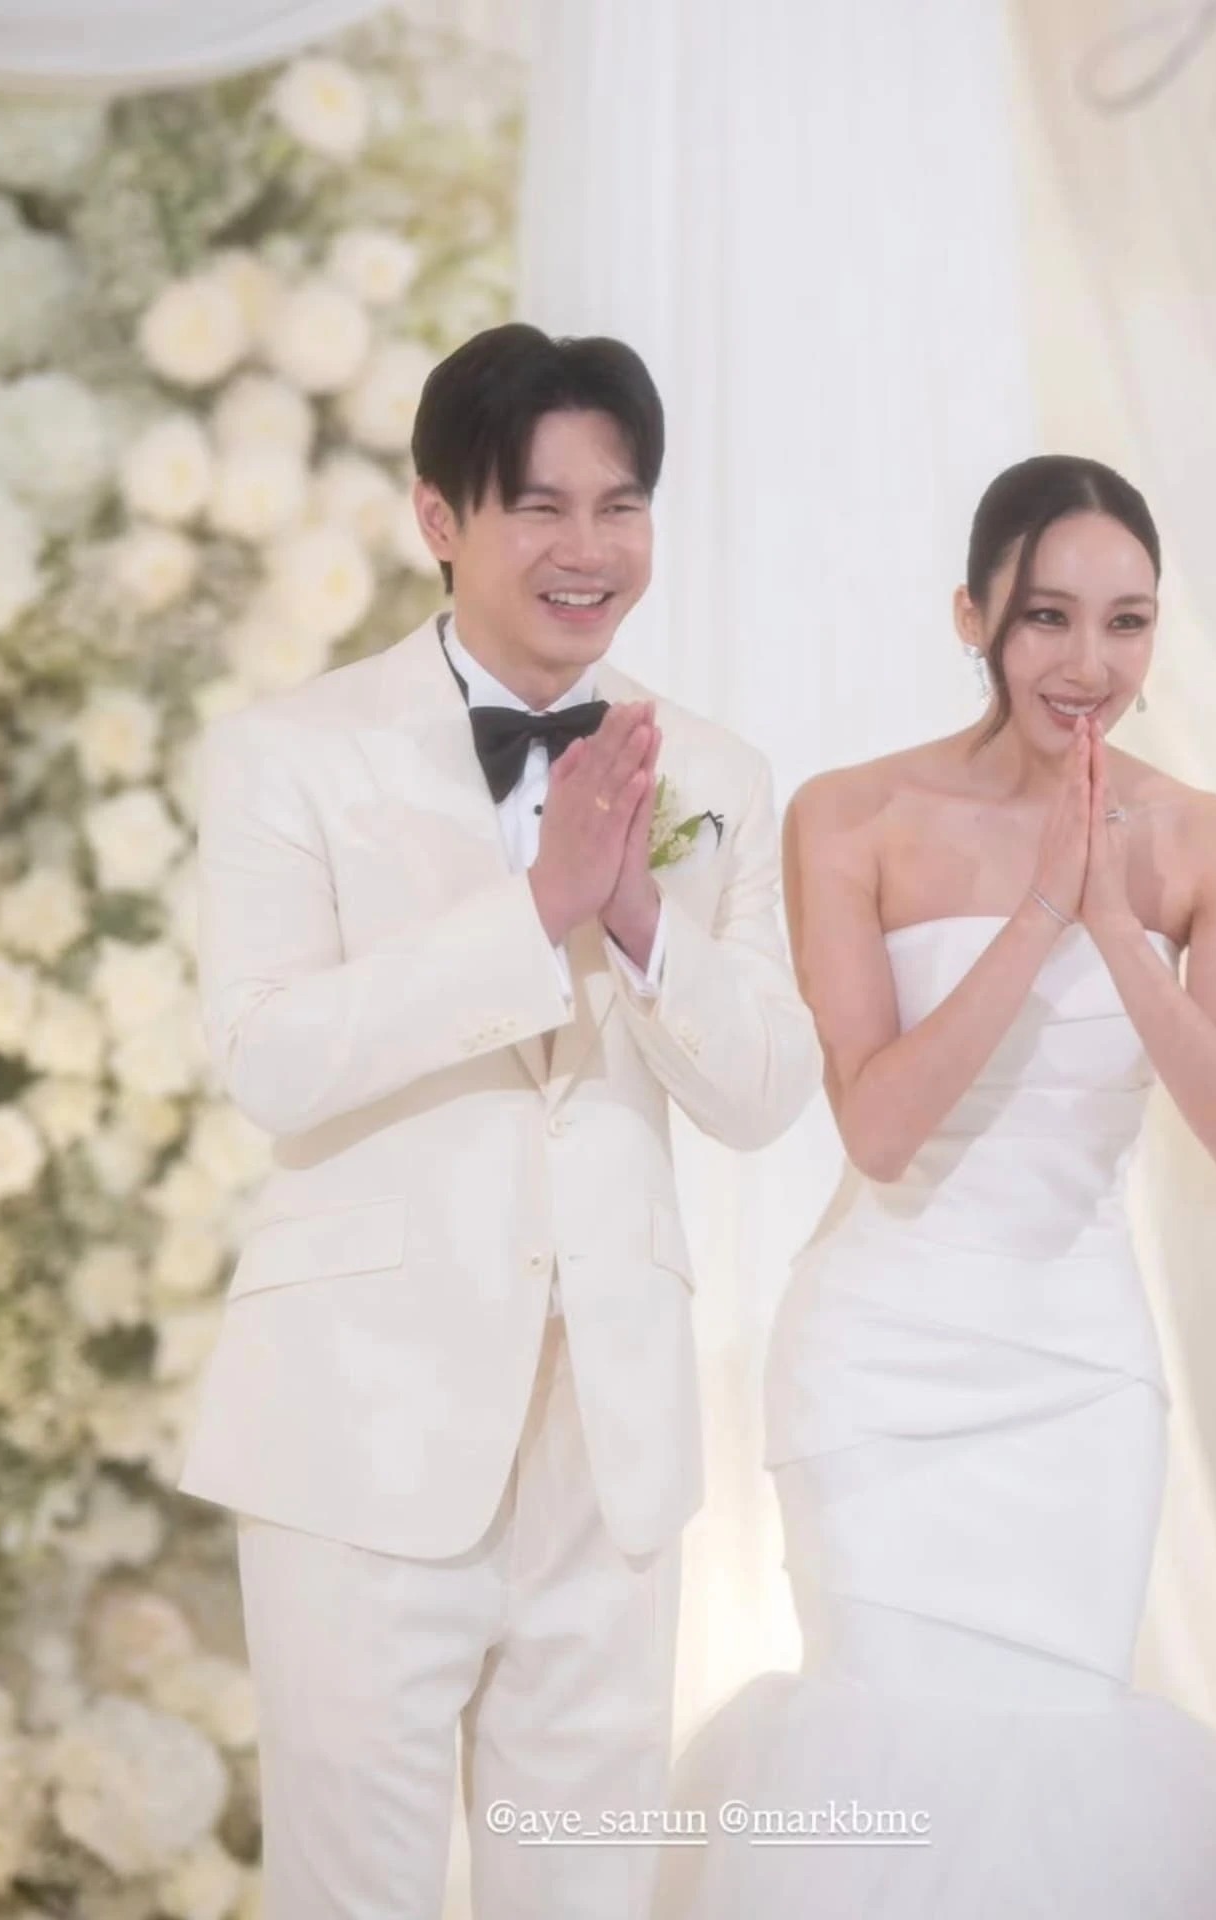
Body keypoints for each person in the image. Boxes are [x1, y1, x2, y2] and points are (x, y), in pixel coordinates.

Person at [178, 322, 821, 1920]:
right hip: (359, 1432)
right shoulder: (287, 757)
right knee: (356, 1893)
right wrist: (535, 913)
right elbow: (267, 1056)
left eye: (621, 506)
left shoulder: (715, 772)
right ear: (439, 518)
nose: (587, 549)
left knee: (583, 1891)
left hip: (609, 1453)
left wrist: (640, 921)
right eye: (539, 507)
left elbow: (764, 1091)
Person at [657, 455, 1216, 1918]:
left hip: (1077, 1380)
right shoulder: (852, 816)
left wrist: (1114, 923)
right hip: (879, 1366)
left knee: (1056, 1764)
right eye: (1047, 616)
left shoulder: (1204, 840)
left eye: (1127, 621)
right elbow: (878, 1126)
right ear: (972, 616)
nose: (1088, 662)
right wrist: (1041, 907)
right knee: (880, 1737)